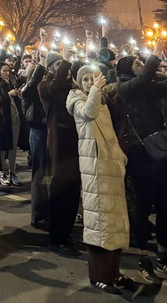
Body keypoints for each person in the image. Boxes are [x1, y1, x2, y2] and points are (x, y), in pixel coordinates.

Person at [67, 67, 130, 293]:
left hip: (110, 165)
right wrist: (95, 89)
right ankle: (99, 276)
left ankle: (114, 272)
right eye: (84, 78)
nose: (88, 82)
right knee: (99, 223)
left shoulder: (101, 98)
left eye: (92, 78)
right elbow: (88, 113)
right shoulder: (75, 98)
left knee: (114, 221)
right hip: (95, 167)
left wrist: (120, 157)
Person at [117, 39, 167, 282]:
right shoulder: (125, 87)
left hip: (161, 152)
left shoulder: (147, 84)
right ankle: (143, 255)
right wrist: (155, 55)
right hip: (140, 155)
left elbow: (162, 83)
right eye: (137, 62)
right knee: (143, 207)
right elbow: (144, 76)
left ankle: (163, 256)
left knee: (165, 205)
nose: (141, 64)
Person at [39, 49, 81, 256]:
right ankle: (57, 238)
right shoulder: (45, 86)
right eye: (57, 66)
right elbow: (55, 87)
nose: (62, 70)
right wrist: (64, 62)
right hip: (57, 146)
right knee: (58, 191)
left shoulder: (72, 86)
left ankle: (67, 233)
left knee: (72, 192)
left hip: (74, 145)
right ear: (49, 69)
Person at [20, 52, 48, 229]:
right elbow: (30, 86)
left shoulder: (45, 90)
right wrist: (42, 64)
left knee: (48, 175)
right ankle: (38, 215)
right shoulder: (29, 91)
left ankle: (47, 210)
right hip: (38, 133)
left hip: (48, 133)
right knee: (39, 174)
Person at [0, 63, 22, 187]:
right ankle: (3, 172)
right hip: (3, 119)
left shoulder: (12, 82)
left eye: (8, 70)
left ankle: (12, 172)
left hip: (14, 117)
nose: (7, 73)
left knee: (13, 148)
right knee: (3, 147)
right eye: (4, 71)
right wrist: (8, 94)